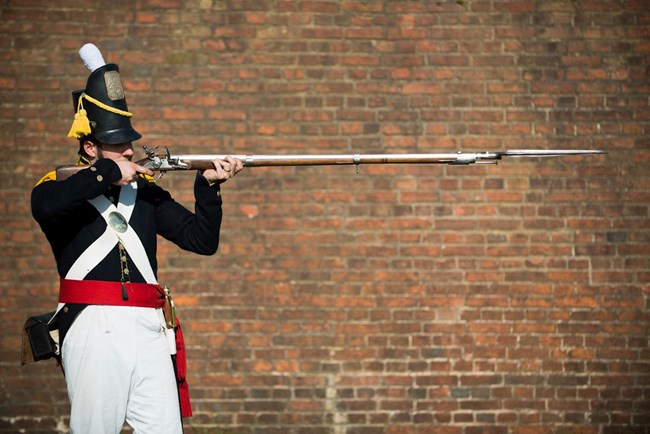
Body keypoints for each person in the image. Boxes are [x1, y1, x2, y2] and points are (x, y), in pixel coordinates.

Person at [30, 43, 243, 433]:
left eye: (127, 142)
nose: (128, 149)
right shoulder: (57, 189)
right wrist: (110, 174)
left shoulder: (145, 192)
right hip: (94, 326)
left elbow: (201, 240)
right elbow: (44, 205)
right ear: (90, 147)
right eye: (116, 144)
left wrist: (208, 186)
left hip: (149, 326)